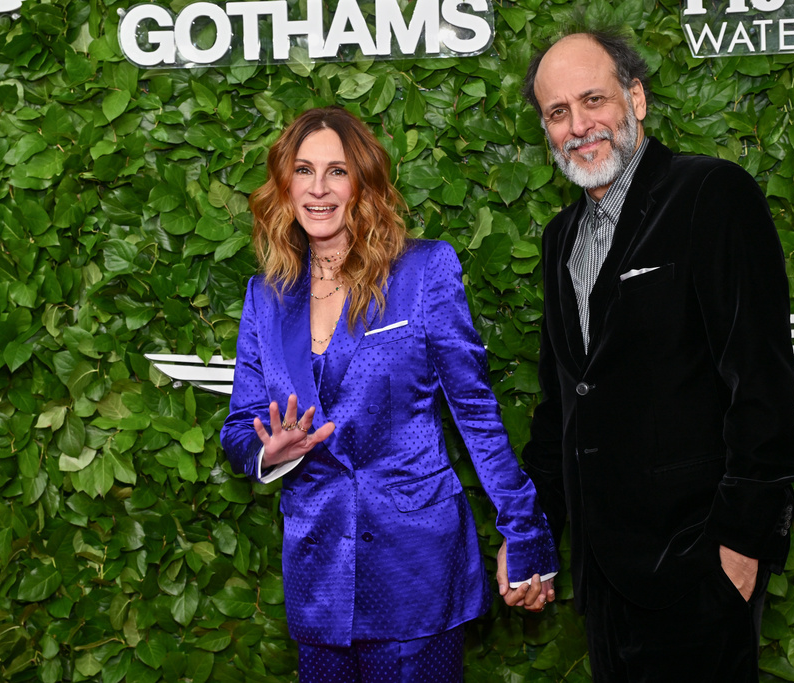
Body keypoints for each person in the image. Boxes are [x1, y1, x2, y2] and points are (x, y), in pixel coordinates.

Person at [219, 106, 558, 683]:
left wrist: (524, 532)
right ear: (285, 183)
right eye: (304, 170)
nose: (319, 188)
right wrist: (265, 453)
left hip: (416, 566)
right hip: (318, 568)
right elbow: (240, 423)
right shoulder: (266, 295)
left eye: (337, 171)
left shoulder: (423, 271)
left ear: (364, 183)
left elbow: (475, 414)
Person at [513, 30, 794, 681]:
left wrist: (741, 546)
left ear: (636, 97)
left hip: (698, 568)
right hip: (606, 581)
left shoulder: (711, 194)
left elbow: (761, 383)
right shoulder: (561, 238)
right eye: (557, 112)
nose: (578, 125)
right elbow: (564, 405)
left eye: (593, 99)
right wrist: (533, 535)